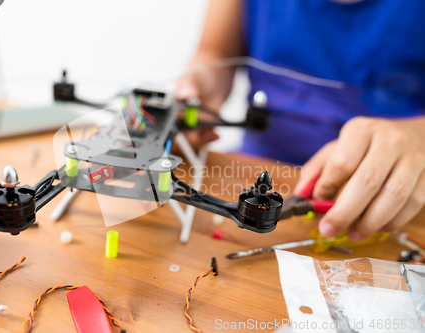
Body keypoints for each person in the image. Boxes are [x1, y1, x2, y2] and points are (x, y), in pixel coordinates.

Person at [176, 0, 425, 241]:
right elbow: (218, 52)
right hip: (245, 167)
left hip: (394, 200)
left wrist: (418, 136)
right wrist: (200, 86)